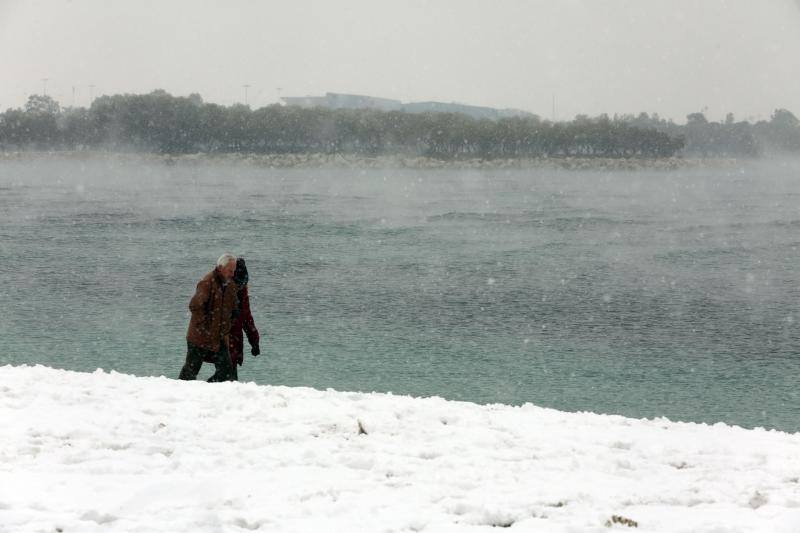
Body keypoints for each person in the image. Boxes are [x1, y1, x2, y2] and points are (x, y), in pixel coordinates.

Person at [179, 253, 239, 382]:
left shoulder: (231, 285)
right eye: (230, 271)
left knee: (227, 373)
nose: (233, 274)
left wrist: (233, 315)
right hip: (199, 337)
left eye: (234, 271)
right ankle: (176, 394)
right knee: (189, 374)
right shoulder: (207, 282)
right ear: (221, 268)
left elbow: (233, 308)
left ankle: (207, 392)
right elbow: (195, 306)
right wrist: (206, 327)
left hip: (220, 337)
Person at [225, 258, 261, 379]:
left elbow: (247, 318)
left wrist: (254, 341)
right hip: (223, 340)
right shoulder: (222, 287)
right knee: (225, 374)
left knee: (229, 376)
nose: (240, 286)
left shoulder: (242, 291)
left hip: (234, 342)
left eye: (243, 284)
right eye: (239, 283)